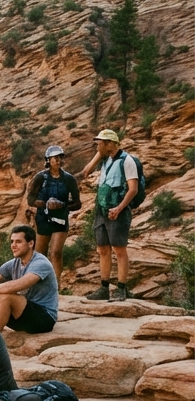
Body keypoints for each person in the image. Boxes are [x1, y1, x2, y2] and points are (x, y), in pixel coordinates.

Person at [79, 129, 139, 301]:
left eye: (100, 143)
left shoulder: (127, 161)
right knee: (103, 249)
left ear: (110, 143)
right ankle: (104, 288)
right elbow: (86, 171)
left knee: (119, 250)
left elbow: (133, 189)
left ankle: (121, 288)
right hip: (102, 211)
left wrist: (119, 208)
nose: (97, 146)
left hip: (118, 212)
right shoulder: (105, 160)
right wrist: (100, 153)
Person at [0, 225, 59, 334]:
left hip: (44, 319)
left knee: (6, 297)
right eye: (12, 241)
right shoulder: (16, 262)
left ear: (30, 243)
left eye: (18, 242)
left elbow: (18, 285)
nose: (13, 245)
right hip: (24, 316)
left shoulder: (41, 263)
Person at [27, 145, 82, 283]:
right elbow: (30, 200)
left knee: (56, 253)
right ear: (48, 160)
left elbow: (77, 203)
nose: (58, 160)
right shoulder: (40, 178)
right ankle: (37, 283)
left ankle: (56, 285)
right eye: (54, 158)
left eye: (59, 158)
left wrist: (62, 205)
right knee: (40, 255)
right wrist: (46, 204)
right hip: (43, 218)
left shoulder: (69, 179)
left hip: (61, 219)